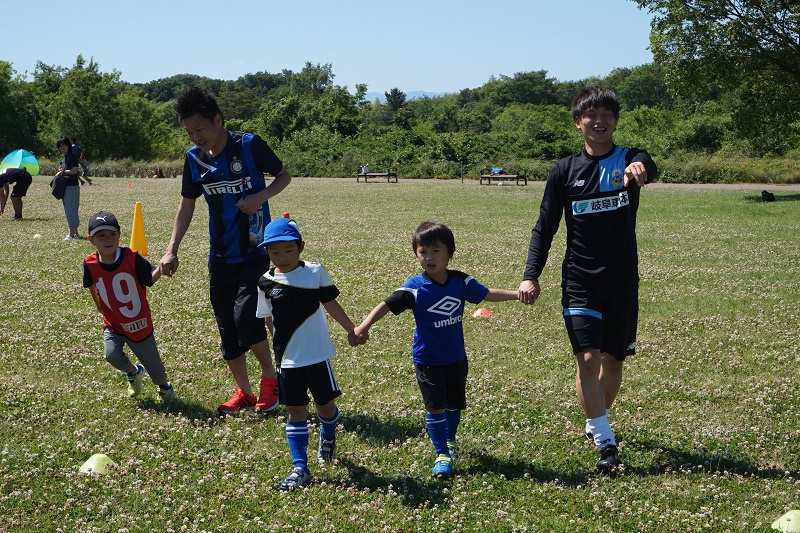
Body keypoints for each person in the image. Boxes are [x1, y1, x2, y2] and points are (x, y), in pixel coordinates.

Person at [517, 86, 657, 473]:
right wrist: (530, 275)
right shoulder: (564, 171)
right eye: (591, 115)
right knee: (588, 358)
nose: (599, 121)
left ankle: (596, 420)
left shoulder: (630, 159)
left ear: (615, 120)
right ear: (578, 122)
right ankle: (606, 442)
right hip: (580, 280)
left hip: (622, 282)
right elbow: (544, 228)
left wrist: (641, 167)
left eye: (607, 114)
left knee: (613, 362)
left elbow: (648, 164)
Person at [158, 85, 292, 414]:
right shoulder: (194, 158)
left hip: (255, 252)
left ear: (218, 120)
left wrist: (260, 197)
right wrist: (171, 249)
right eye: (189, 132)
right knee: (226, 328)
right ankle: (244, 392)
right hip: (219, 255)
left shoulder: (248, 145)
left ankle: (271, 380)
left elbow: (283, 176)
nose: (195, 138)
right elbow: (187, 205)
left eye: (200, 130)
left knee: (246, 318)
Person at [354, 221, 522, 479]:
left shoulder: (460, 281)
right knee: (435, 407)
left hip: (456, 357)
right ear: (416, 254)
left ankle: (450, 440)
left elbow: (486, 294)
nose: (429, 258)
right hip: (428, 359)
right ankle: (442, 454)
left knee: (454, 404)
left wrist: (517, 294)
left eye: (436, 251)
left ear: (450, 253)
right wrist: (363, 326)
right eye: (423, 252)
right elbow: (386, 304)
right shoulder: (415, 287)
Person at [256, 217, 364, 490]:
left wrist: (351, 329)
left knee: (325, 406)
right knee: (295, 411)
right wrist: (279, 342)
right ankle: (300, 468)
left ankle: (328, 434)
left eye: (289, 250)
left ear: (301, 247)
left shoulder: (315, 272)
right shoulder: (265, 282)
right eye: (275, 251)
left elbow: (331, 303)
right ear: (266, 252)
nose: (283, 257)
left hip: (316, 356)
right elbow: (267, 318)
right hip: (287, 360)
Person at [82, 211, 175, 401]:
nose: (108, 239)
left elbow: (149, 278)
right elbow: (90, 283)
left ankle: (165, 388)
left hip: (138, 323)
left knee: (154, 366)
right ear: (91, 239)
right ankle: (134, 372)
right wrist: (99, 305)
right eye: (101, 235)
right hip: (113, 323)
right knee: (111, 355)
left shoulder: (131, 257)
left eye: (112, 234)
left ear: (119, 235)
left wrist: (160, 269)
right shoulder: (89, 263)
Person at [56, 136, 82, 240]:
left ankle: (71, 234)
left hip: (72, 186)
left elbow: (74, 171)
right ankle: (75, 233)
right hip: (65, 186)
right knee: (69, 209)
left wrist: (61, 172)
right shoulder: (64, 159)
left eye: (64, 145)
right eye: (60, 146)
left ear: (68, 145)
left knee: (71, 210)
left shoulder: (73, 156)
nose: (62, 148)